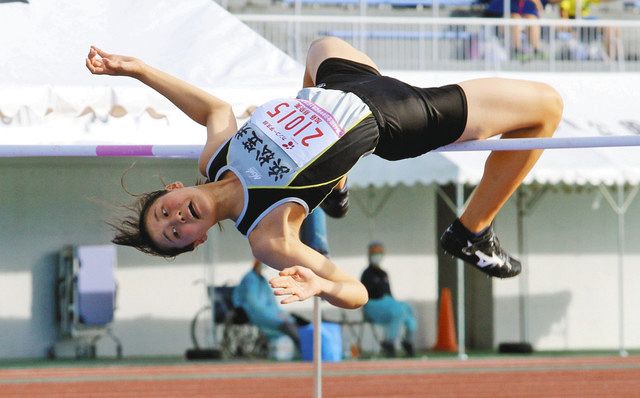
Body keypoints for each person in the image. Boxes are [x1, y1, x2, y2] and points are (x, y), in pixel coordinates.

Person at [85, 36, 563, 309]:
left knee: (320, 46)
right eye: (175, 233)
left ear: (174, 189)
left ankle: (336, 184)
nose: (175, 220)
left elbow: (215, 107)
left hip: (349, 85)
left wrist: (137, 69)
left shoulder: (215, 158)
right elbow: (354, 291)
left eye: (164, 213)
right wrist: (322, 286)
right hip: (396, 119)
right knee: (546, 108)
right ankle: (471, 231)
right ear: (199, 239)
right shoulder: (267, 236)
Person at [232, 259, 308, 350]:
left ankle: (304, 346)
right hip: (254, 312)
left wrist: (277, 312)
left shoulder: (262, 279)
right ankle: (303, 347)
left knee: (291, 320)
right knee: (285, 323)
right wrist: (274, 313)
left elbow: (271, 300)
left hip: (269, 311)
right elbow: (253, 303)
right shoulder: (250, 278)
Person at [360, 242, 417, 357]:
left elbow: (390, 296)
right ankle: (388, 342)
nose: (377, 255)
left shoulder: (384, 274)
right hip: (373, 306)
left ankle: (407, 341)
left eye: (379, 252)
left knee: (407, 309)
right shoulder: (367, 274)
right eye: (374, 252)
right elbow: (365, 297)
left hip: (388, 303)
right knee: (399, 311)